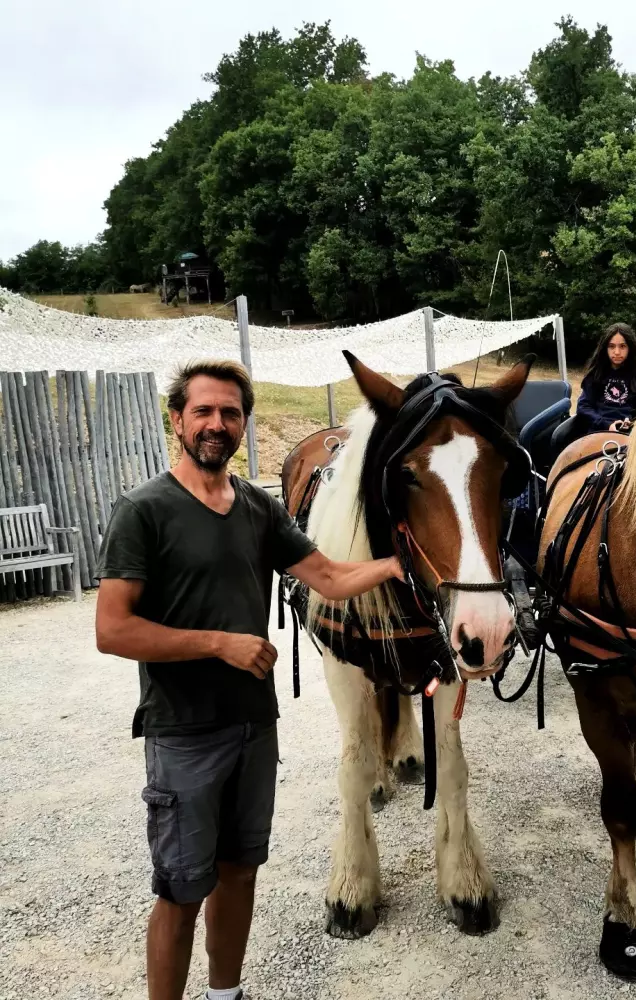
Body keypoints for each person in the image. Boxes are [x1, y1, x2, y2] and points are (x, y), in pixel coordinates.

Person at [94, 359, 403, 1000]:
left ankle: (225, 993)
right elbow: (113, 630)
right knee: (180, 892)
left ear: (243, 423)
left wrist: (401, 564)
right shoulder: (144, 510)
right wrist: (217, 644)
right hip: (183, 734)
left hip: (254, 729)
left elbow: (330, 577)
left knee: (239, 874)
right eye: (202, 411)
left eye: (229, 413)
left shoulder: (258, 509)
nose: (216, 424)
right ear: (177, 420)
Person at [575, 322, 636, 435]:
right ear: (605, 348)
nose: (617, 352)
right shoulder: (596, 373)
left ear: (630, 348)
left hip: (630, 434)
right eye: (612, 346)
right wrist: (606, 425)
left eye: (622, 346)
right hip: (598, 432)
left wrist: (632, 421)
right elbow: (583, 407)